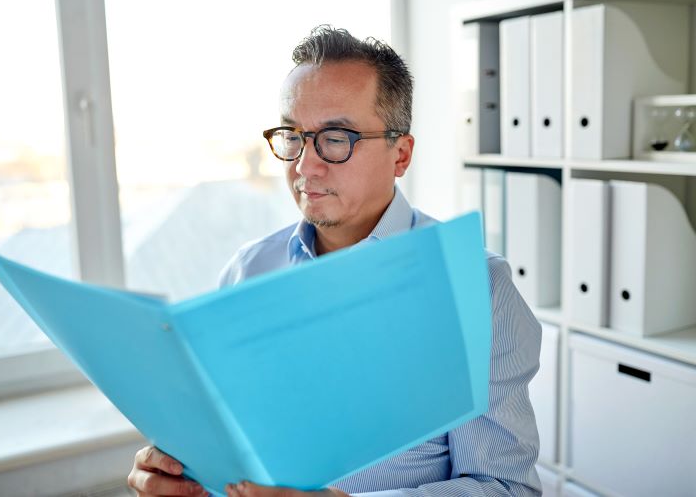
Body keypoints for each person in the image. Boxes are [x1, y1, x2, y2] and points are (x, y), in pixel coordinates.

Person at [128, 25, 542, 497]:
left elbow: (506, 488)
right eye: (293, 136)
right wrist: (181, 477)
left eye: (336, 137)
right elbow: (225, 443)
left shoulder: (476, 288)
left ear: (400, 154)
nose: (305, 166)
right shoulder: (247, 271)